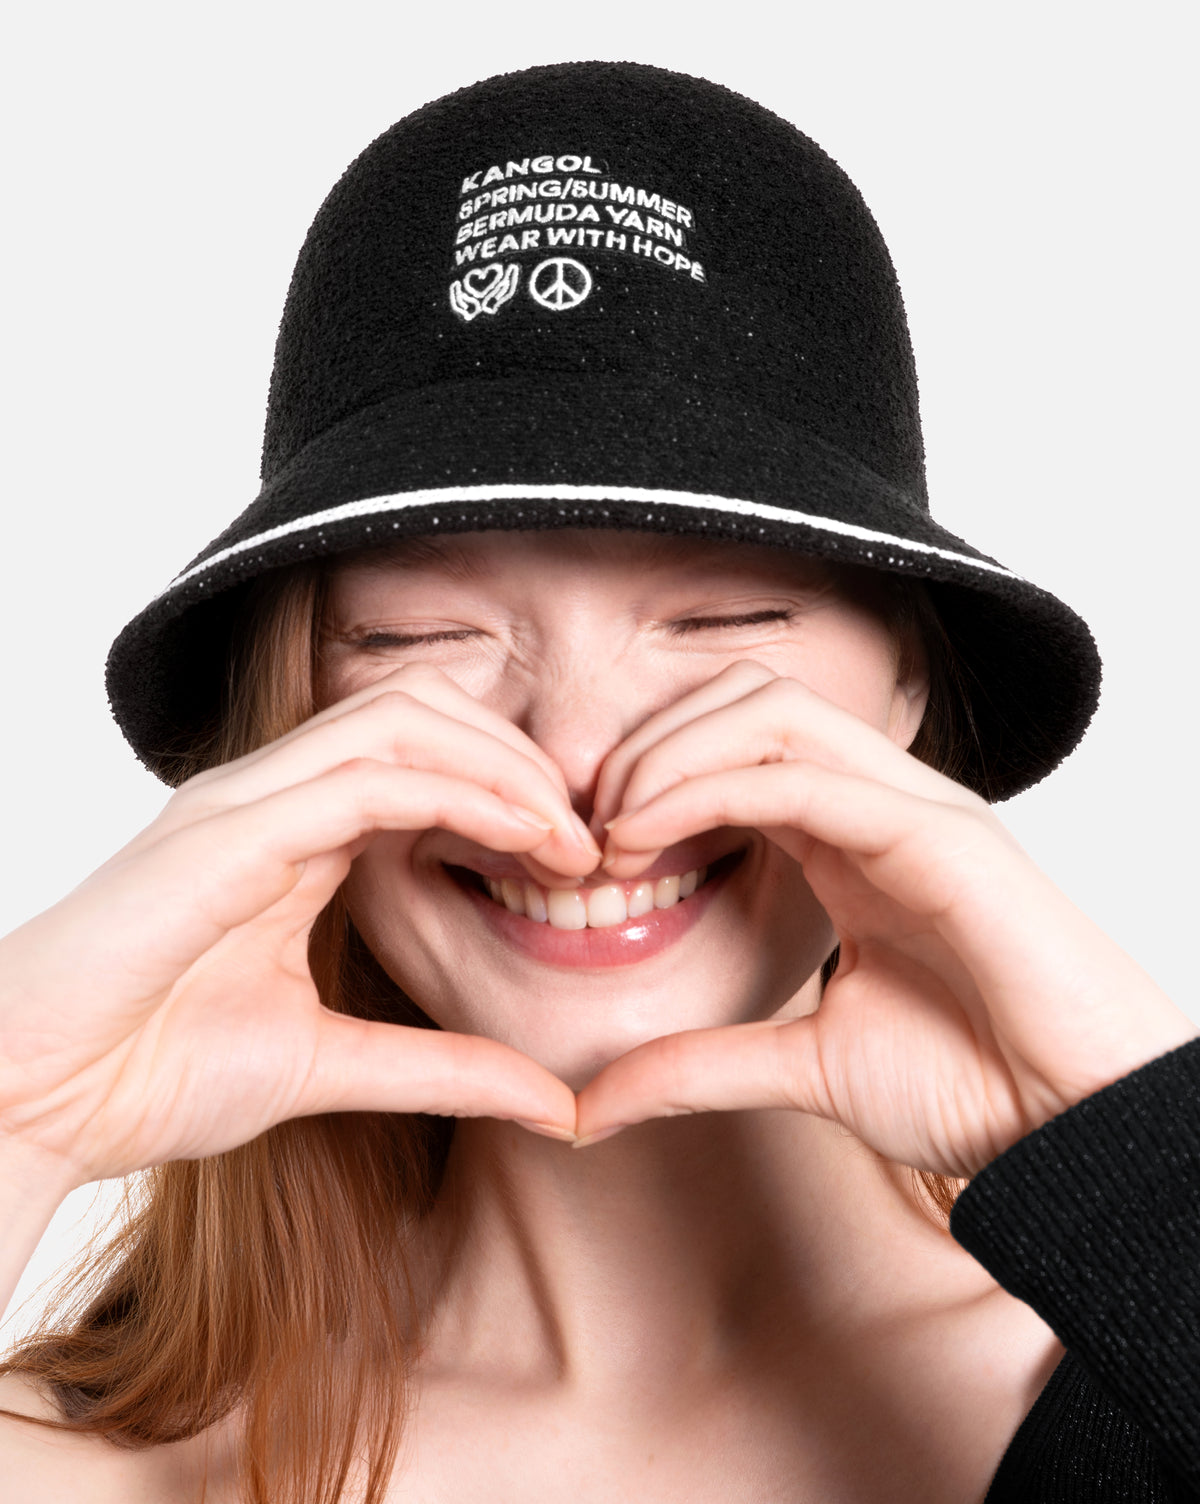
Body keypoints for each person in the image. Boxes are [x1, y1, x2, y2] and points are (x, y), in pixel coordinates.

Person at [1, 60, 1197, 1504]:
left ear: (913, 695)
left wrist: (1143, 1146)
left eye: (725, 619)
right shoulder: (72, 1467)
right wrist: (14, 1111)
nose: (572, 757)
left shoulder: (1150, 1398)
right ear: (285, 725)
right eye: (418, 636)